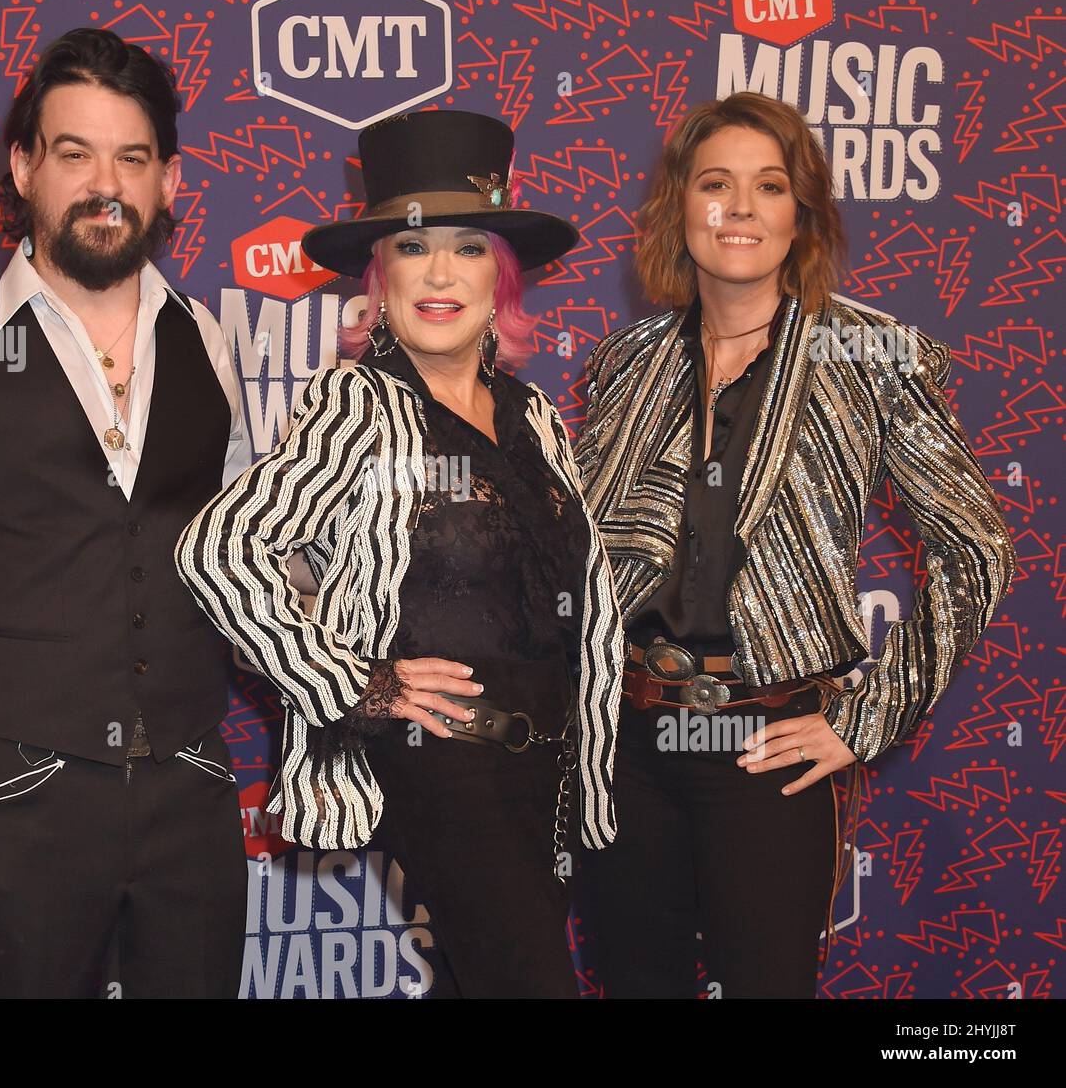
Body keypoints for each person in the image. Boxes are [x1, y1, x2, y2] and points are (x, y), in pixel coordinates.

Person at [575, 91, 1017, 999]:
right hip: (624, 739)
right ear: (679, 207)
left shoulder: (871, 353)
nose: (740, 208)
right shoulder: (627, 363)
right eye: (715, 184)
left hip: (764, 746)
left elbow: (976, 545)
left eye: (769, 186)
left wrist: (865, 718)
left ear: (801, 213)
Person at [175, 109, 624, 998]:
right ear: (381, 276)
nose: (441, 273)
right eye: (415, 249)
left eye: (467, 247)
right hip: (447, 770)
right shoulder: (359, 406)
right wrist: (360, 683)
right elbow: (219, 550)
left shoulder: (532, 414)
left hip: (549, 775)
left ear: (500, 273)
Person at [0, 28, 251, 998]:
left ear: (171, 180)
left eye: (132, 157)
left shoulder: (207, 339)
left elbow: (239, 557)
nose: (103, 182)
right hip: (20, 791)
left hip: (190, 782)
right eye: (74, 153)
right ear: (24, 166)